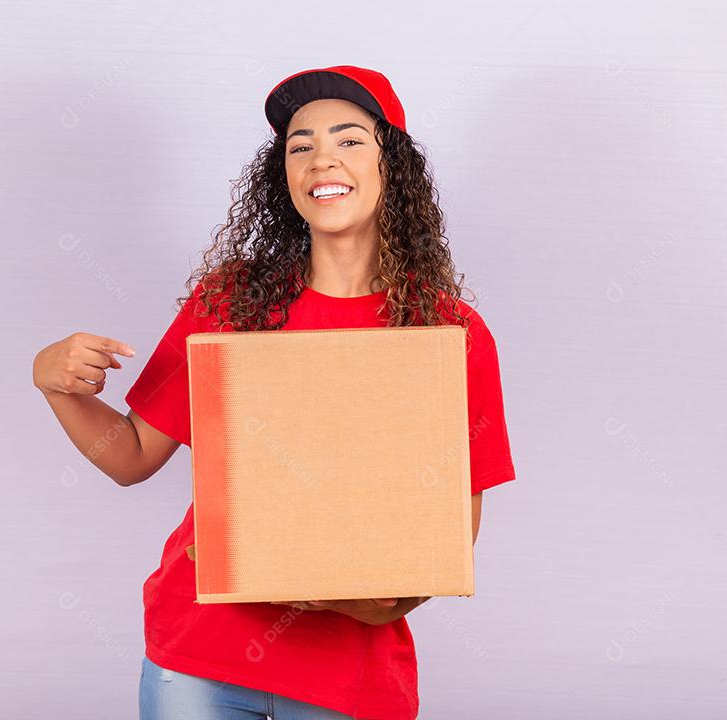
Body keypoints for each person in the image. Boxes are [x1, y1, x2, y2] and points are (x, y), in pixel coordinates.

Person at [33, 65, 516, 720]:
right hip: (196, 658)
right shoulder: (230, 302)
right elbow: (130, 456)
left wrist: (368, 595)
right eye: (300, 146)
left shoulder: (449, 333)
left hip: (348, 677)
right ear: (283, 176)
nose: (322, 159)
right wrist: (56, 386)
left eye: (348, 140)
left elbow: (447, 533)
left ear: (391, 165)